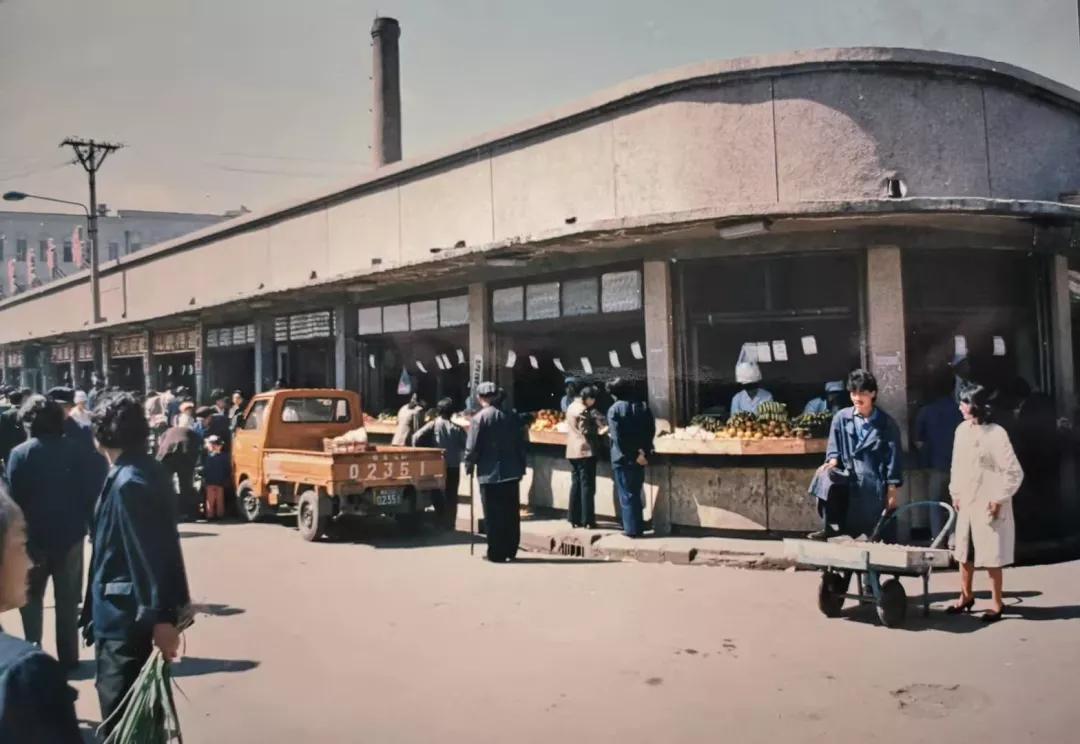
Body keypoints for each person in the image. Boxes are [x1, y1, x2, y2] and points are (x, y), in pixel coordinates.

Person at [80, 392, 190, 736]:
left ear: (100, 436)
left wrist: (162, 618)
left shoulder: (131, 482)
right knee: (137, 720)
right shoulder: (141, 470)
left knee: (123, 717)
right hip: (122, 613)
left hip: (125, 619)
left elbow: (150, 553)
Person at [5, 396, 91, 671]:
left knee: (31, 602)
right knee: (67, 602)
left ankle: (35, 654)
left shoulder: (20, 454)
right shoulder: (77, 450)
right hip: (71, 537)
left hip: (33, 540)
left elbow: (15, 500)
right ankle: (69, 659)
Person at [0, 486, 82, 742]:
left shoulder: (20, 456)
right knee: (66, 604)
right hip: (68, 543)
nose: (28, 561)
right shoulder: (23, 675)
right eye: (20, 545)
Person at [946, 385, 1023, 623]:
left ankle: (997, 603)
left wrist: (999, 497)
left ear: (976, 406)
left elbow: (1013, 472)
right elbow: (956, 465)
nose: (960, 407)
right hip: (967, 499)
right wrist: (955, 492)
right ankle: (966, 595)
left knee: (991, 554)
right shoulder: (961, 431)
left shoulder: (996, 433)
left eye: (964, 402)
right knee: (964, 552)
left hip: (989, 498)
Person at [824, 369, 904, 538]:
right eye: (853, 393)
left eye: (862, 393)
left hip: (874, 485)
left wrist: (891, 490)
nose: (857, 398)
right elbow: (833, 447)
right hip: (848, 482)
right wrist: (831, 463)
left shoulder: (886, 424)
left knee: (875, 533)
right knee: (847, 533)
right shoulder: (840, 418)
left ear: (873, 393)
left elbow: (893, 459)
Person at [464, 382, 527, 562]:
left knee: (493, 514)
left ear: (479, 397)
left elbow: (472, 447)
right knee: (510, 513)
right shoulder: (511, 416)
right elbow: (521, 443)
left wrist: (469, 464)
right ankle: (510, 549)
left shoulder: (479, 418)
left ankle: (496, 552)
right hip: (511, 472)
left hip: (489, 473)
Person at [915, 369, 964, 540]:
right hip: (958, 465)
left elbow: (919, 442)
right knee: (957, 503)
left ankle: (937, 539)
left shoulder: (926, 411)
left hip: (935, 465)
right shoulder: (960, 410)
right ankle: (955, 540)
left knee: (935, 504)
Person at [607, 377, 655, 537]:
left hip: (623, 458)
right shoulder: (643, 406)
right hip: (641, 456)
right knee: (635, 490)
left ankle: (632, 529)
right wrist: (644, 453)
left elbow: (618, 437)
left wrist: (633, 455)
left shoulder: (614, 410)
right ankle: (637, 525)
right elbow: (650, 430)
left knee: (627, 494)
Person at [412, 397, 467, 530]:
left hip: (438, 465)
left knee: (436, 492)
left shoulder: (434, 424)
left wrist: (420, 453)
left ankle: (440, 518)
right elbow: (466, 445)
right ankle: (450, 523)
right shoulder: (457, 429)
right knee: (452, 495)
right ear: (451, 413)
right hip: (453, 466)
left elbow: (416, 437)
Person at [565, 385, 600, 528]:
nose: (594, 402)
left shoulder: (571, 406)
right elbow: (585, 430)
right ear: (589, 398)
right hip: (585, 450)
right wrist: (599, 429)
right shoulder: (583, 410)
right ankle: (588, 520)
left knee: (576, 484)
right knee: (587, 486)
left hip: (572, 450)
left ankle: (573, 518)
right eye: (594, 399)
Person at [157, 418, 203, 520]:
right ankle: (187, 513)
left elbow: (161, 445)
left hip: (167, 455)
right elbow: (199, 446)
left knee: (166, 483)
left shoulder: (168, 431)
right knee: (185, 484)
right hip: (185, 454)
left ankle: (168, 511)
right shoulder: (192, 433)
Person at [202, 435, 230, 521]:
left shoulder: (208, 457)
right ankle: (219, 515)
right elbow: (227, 469)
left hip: (210, 481)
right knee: (219, 499)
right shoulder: (225, 457)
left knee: (211, 499)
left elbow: (205, 469)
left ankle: (211, 515)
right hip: (219, 481)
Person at [0, 388, 28, 467]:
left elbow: (2, 434)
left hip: (10, 449)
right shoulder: (27, 412)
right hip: (26, 448)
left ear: (10, 400)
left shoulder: (6, 415)